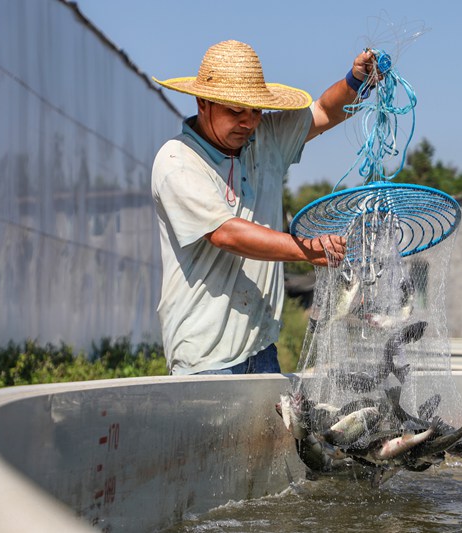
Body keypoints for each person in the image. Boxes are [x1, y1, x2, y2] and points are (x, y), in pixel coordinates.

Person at [151, 40, 376, 375]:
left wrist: (356, 82)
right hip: (205, 357)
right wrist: (306, 250)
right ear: (203, 103)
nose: (249, 122)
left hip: (261, 348)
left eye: (255, 110)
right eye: (235, 111)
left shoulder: (264, 140)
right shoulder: (177, 161)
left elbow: (325, 111)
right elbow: (226, 233)